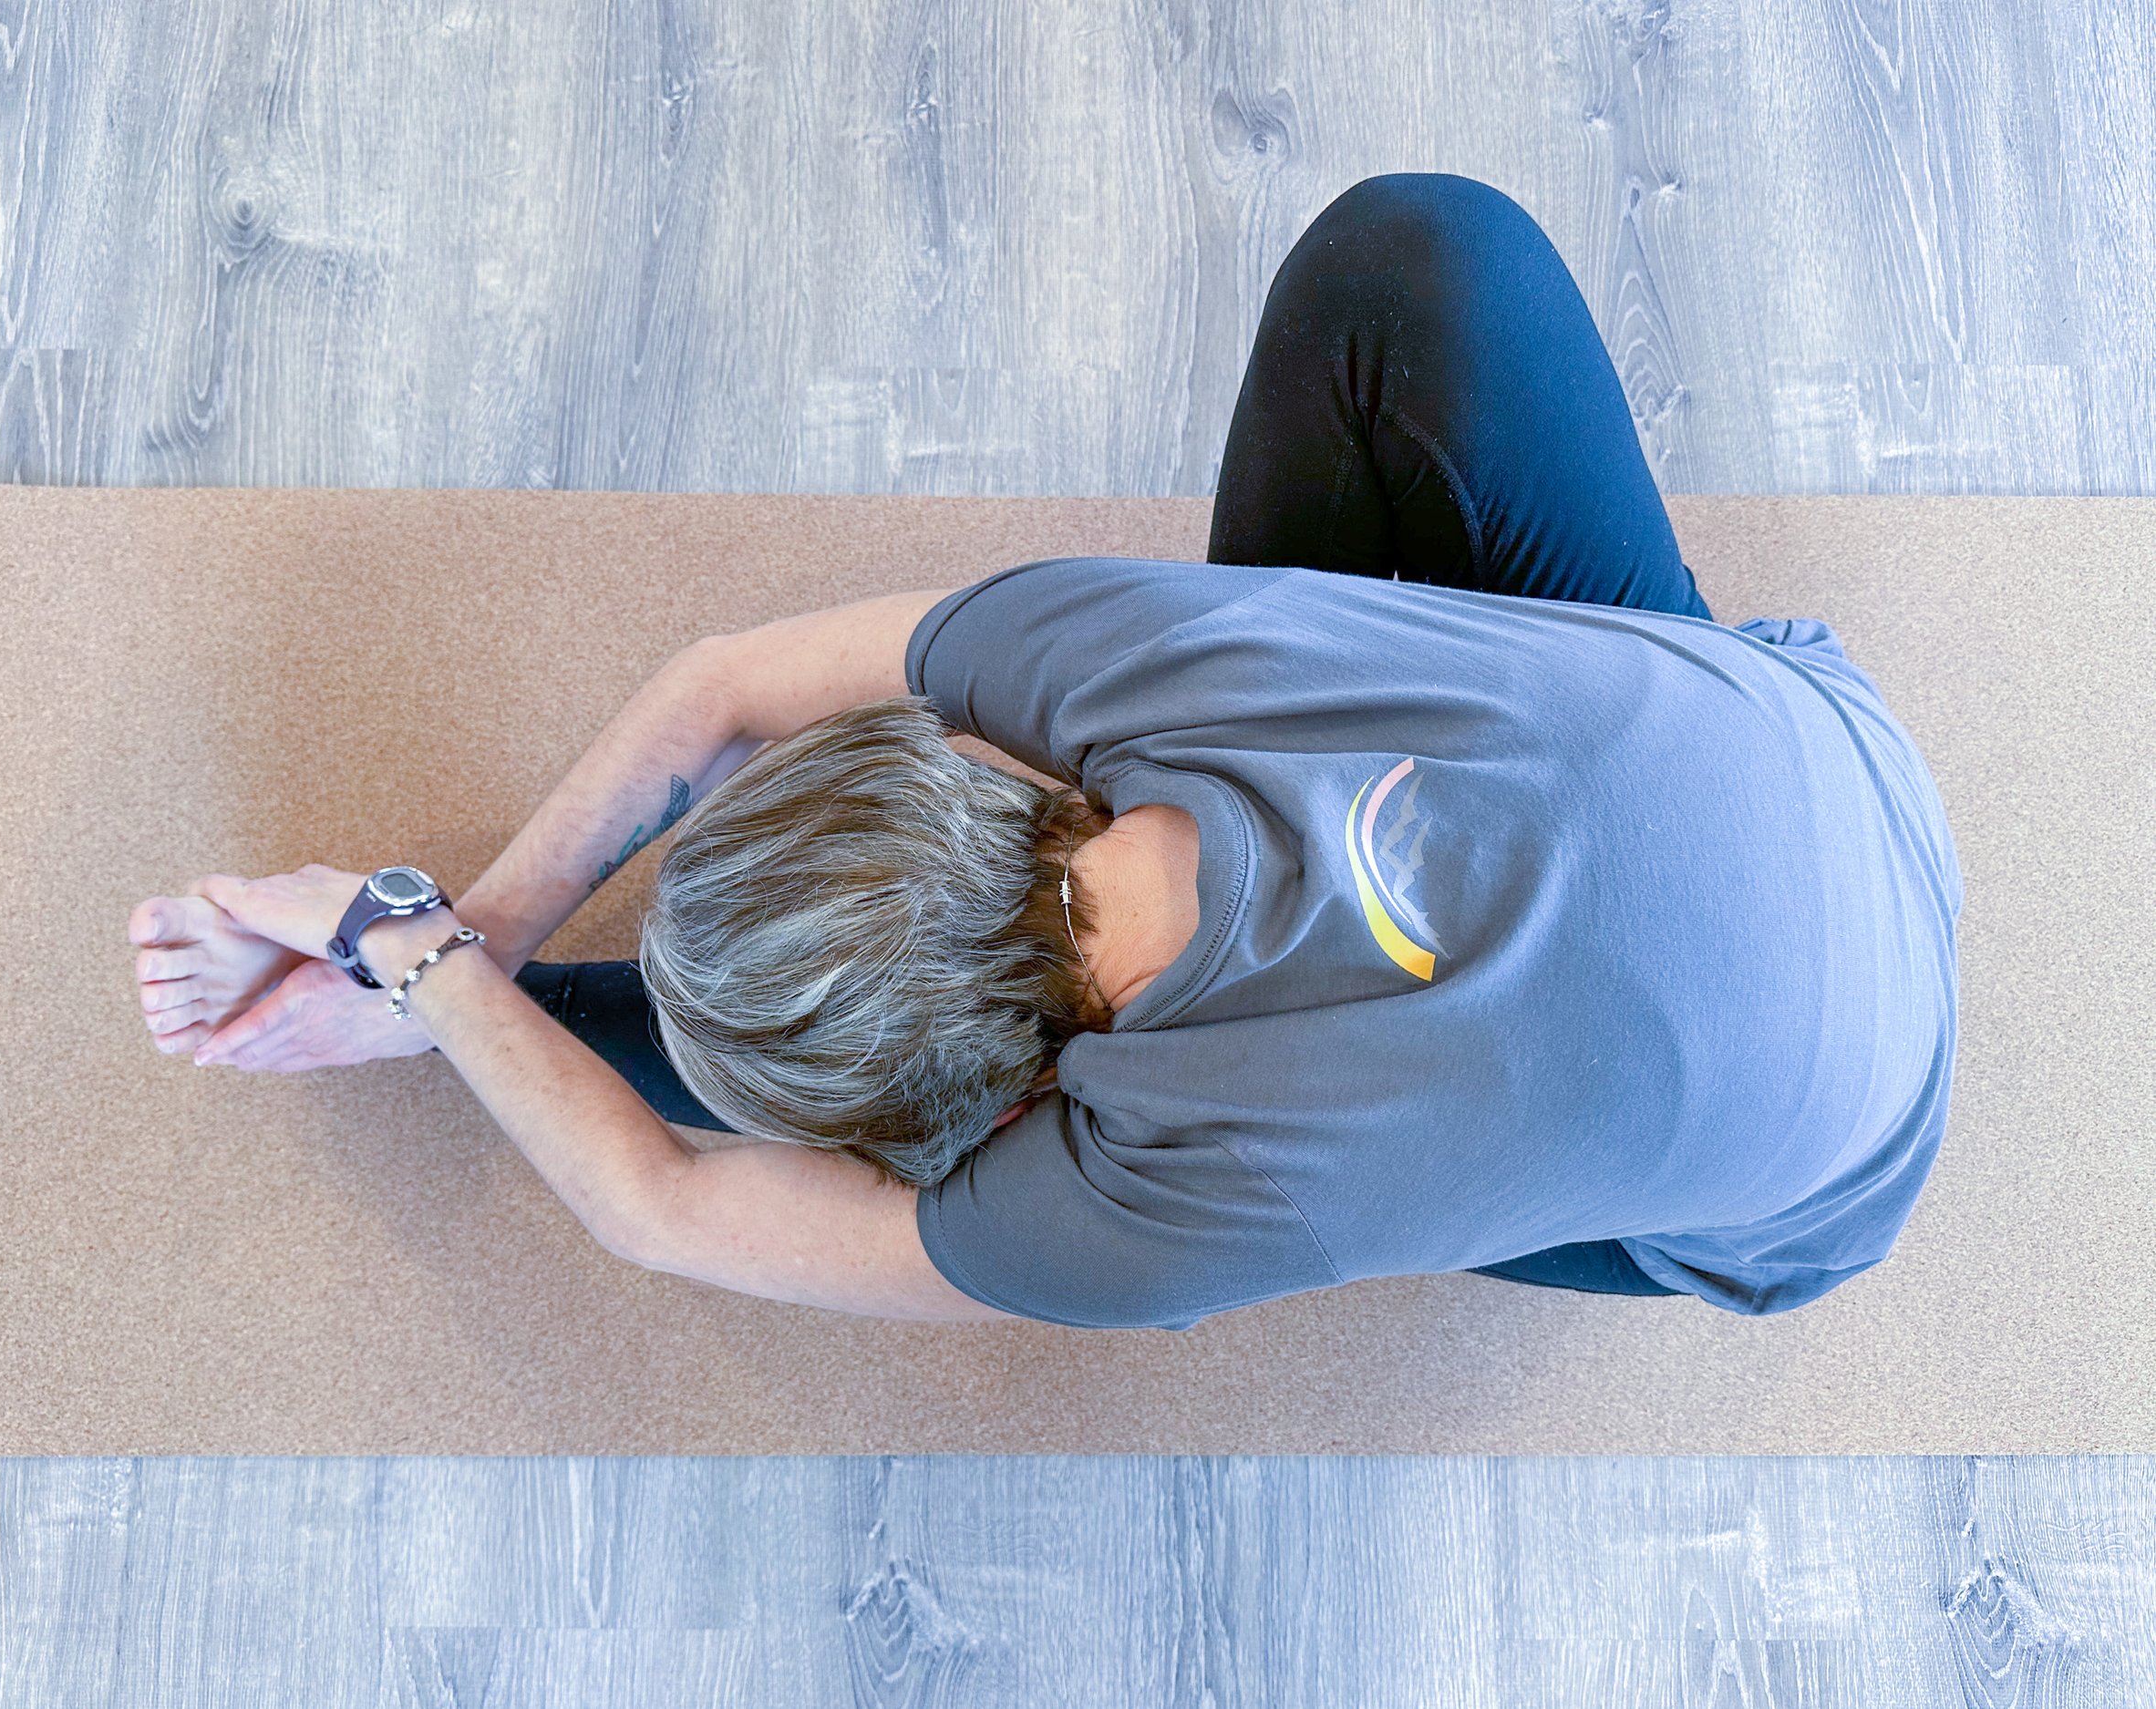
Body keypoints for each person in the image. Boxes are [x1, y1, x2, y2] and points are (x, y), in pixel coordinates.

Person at [128, 174, 1962, 1329]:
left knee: (1448, 1146)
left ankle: (509, 1014)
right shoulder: (1112, 655)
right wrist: (443, 937)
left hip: (1824, 1175)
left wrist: (442, 966)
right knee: (1416, 257)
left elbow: (671, 1201)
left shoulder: (1135, 1198)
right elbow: (723, 684)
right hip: (1814, 750)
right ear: (974, 763)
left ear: (986, 1124)